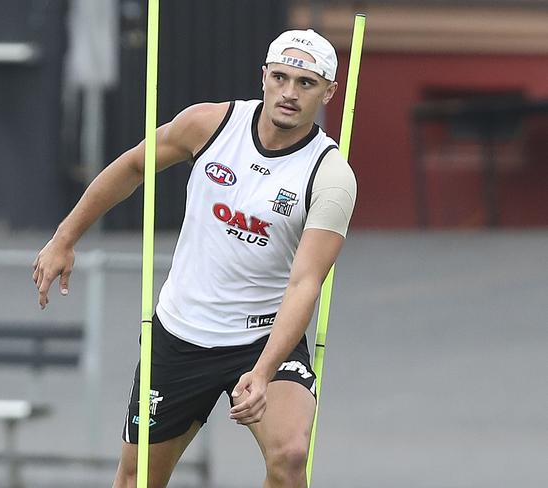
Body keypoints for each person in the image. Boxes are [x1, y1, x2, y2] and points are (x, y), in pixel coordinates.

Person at [32, 28, 356, 488]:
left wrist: (262, 373)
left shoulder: (331, 175)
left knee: (290, 454)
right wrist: (64, 238)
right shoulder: (209, 124)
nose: (289, 93)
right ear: (263, 76)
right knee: (137, 479)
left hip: (262, 337)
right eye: (280, 77)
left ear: (328, 90)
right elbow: (132, 166)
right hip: (182, 333)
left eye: (305, 83)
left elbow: (306, 282)